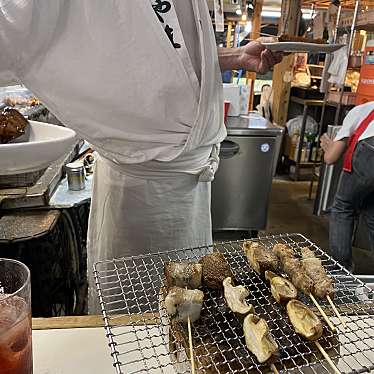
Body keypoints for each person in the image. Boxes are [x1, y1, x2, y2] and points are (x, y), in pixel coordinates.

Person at [0, 0, 282, 312]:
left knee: (188, 310)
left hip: (192, 193)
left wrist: (234, 56)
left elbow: (162, 56)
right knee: (133, 316)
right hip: (138, 196)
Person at [321, 100, 374, 270]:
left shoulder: (359, 110)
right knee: (371, 211)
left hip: (369, 152)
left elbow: (330, 158)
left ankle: (341, 270)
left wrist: (327, 145)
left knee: (343, 207)